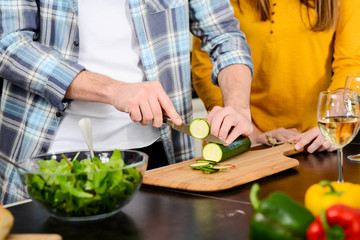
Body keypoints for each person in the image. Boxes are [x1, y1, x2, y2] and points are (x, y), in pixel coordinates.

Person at [0, 0, 253, 204]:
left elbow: (224, 35)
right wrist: (113, 89)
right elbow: (9, 44)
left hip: (156, 156)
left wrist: (239, 108)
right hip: (50, 158)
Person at [192, 0, 360, 153]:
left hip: (311, 141)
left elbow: (351, 62)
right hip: (239, 141)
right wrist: (252, 133)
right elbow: (204, 67)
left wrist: (334, 124)